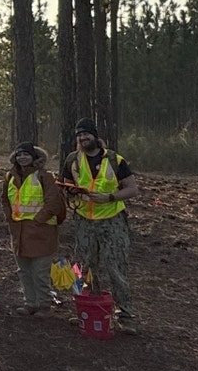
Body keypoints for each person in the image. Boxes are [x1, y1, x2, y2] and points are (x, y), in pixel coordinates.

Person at [60, 118, 140, 318]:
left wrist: (109, 197)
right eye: (79, 135)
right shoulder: (72, 160)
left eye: (86, 134)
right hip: (83, 220)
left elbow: (132, 189)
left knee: (116, 267)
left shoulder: (114, 160)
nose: (82, 138)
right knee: (82, 266)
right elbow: (66, 186)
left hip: (112, 220)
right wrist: (72, 193)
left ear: (95, 136)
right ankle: (87, 308)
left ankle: (125, 314)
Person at [2, 142, 66, 316]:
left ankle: (44, 305)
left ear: (34, 157)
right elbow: (5, 200)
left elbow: (53, 203)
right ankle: (30, 303)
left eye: (26, 154)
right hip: (19, 232)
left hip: (41, 232)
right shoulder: (11, 176)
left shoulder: (44, 176)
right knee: (24, 271)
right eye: (19, 154)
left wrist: (38, 220)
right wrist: (10, 218)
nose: (22, 157)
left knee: (40, 271)